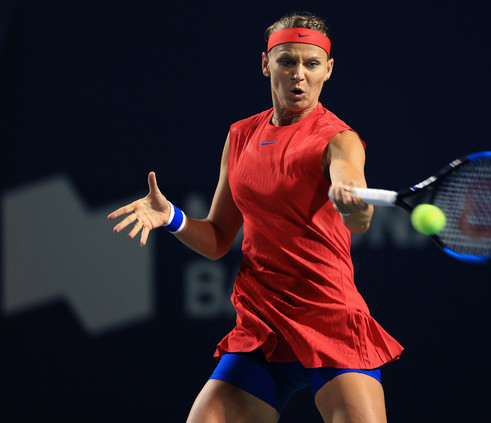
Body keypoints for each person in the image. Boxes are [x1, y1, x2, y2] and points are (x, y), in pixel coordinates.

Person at [108, 12, 403, 423]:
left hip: (329, 317)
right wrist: (172, 217)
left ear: (328, 71)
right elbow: (215, 239)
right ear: (266, 64)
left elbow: (358, 214)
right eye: (287, 61)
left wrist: (355, 204)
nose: (298, 75)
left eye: (311, 64)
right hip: (263, 326)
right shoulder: (240, 135)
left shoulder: (340, 140)